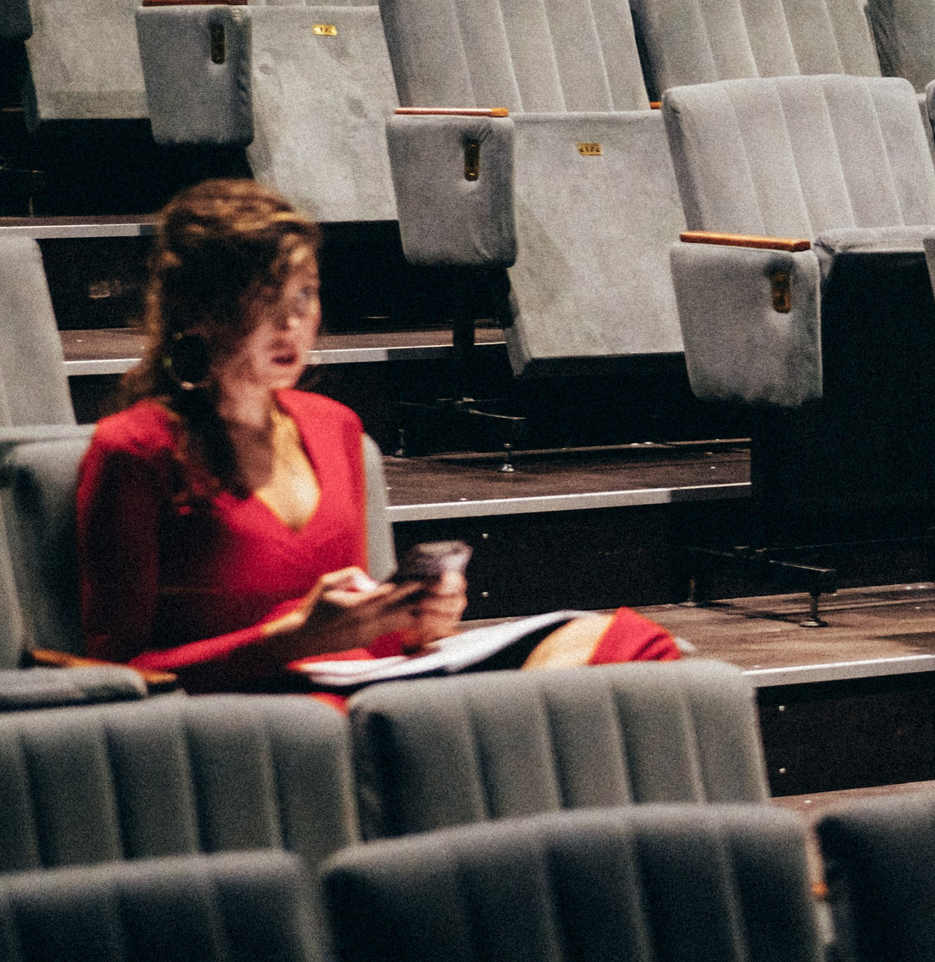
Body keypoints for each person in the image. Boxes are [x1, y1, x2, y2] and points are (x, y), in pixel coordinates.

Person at [76, 180, 679, 694]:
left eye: (305, 295)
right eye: (263, 298)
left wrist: (412, 620)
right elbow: (114, 675)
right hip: (262, 712)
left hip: (373, 686)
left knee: (641, 650)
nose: (292, 324)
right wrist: (285, 640)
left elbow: (361, 625)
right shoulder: (135, 448)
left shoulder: (333, 425)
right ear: (194, 310)